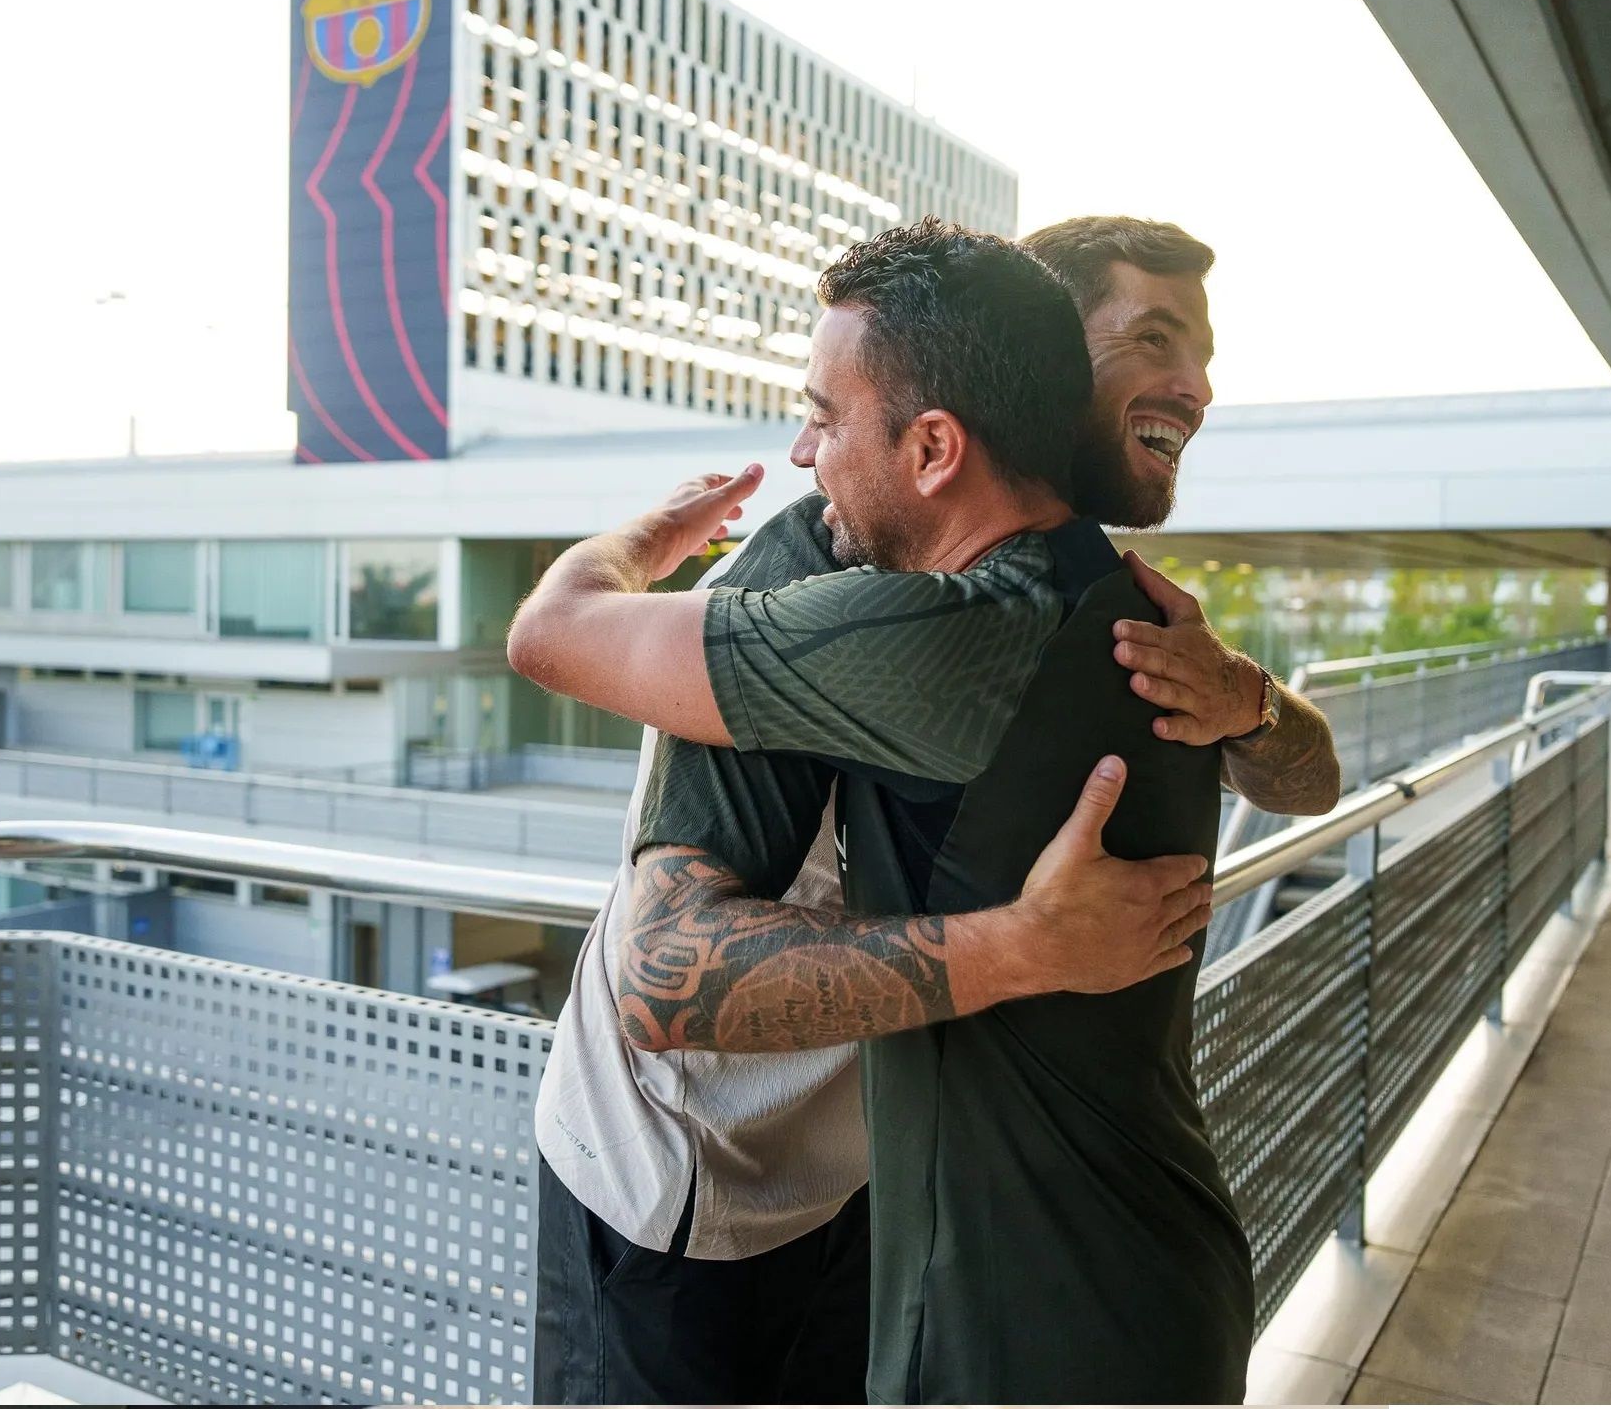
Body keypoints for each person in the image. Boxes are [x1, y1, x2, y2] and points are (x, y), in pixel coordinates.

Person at [518, 217, 1338, 1404]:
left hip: (900, 1217)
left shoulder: (1121, 617)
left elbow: (1312, 771)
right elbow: (661, 970)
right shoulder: (833, 566)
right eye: (1149, 339)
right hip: (685, 1190)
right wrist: (1019, 950)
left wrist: (1253, 699)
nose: (1194, 386)